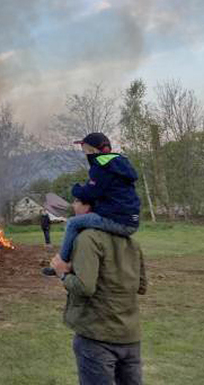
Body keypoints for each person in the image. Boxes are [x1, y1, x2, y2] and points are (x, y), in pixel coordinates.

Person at [50, 196, 147, 385]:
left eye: (77, 201)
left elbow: (84, 287)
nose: (73, 205)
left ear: (89, 207)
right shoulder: (131, 242)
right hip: (130, 336)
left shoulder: (88, 238)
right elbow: (141, 286)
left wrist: (62, 274)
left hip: (97, 337)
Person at [44, 133, 140, 276]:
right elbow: (103, 193)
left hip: (118, 221)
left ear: (93, 150)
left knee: (72, 223)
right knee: (87, 219)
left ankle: (61, 263)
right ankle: (76, 257)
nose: (84, 153)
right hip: (131, 220)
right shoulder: (119, 163)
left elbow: (90, 193)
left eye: (85, 150)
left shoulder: (101, 166)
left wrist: (76, 189)